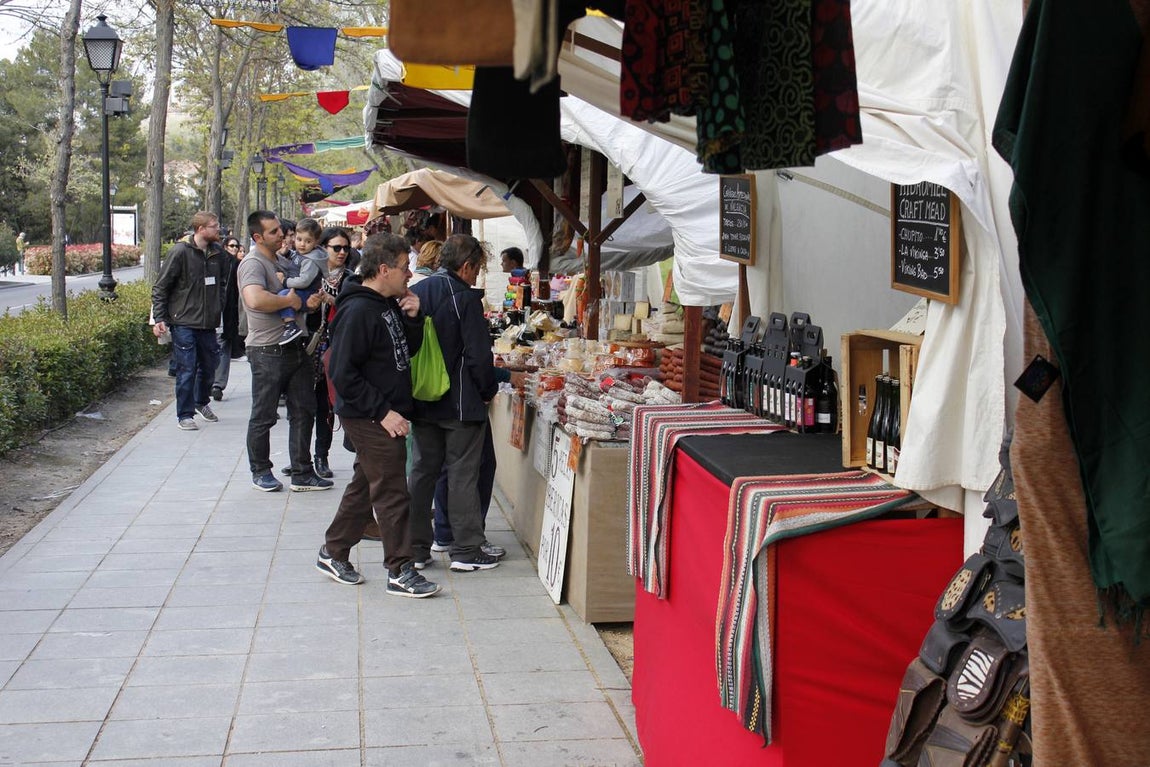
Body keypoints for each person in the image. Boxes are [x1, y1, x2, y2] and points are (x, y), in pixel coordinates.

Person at [316, 232, 440, 598]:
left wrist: (413, 319)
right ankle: (401, 568)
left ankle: (333, 551)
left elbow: (403, 351)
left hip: (386, 409)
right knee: (392, 491)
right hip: (369, 414)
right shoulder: (358, 310)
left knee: (366, 484)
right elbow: (342, 373)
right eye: (404, 268)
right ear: (383, 270)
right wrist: (382, 412)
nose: (409, 274)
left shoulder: (387, 303)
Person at [408, 234, 516, 572]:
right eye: (477, 268)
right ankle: (466, 549)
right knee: (462, 474)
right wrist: (487, 389)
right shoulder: (464, 298)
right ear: (466, 266)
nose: (476, 275)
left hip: (423, 399)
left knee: (423, 472)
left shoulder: (418, 291)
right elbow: (477, 356)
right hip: (459, 403)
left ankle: (416, 548)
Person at [238, 210, 332, 493]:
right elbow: (255, 299)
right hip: (267, 348)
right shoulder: (253, 263)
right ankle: (261, 471)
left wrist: (308, 304)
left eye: (280, 229)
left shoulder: (282, 261)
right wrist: (290, 301)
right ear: (258, 237)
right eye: (274, 231)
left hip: (296, 345)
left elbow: (298, 300)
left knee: (304, 410)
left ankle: (302, 472)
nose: (282, 234)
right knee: (264, 414)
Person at [151, 211, 226, 431]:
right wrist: (160, 318)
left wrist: (218, 305)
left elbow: (222, 282)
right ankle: (185, 414)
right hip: (183, 321)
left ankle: (201, 401)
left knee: (210, 365)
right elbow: (161, 287)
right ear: (201, 229)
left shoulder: (217, 253)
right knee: (187, 368)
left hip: (208, 322)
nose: (218, 229)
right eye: (214, 226)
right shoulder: (180, 252)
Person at [308, 226, 354, 479]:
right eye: (336, 247)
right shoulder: (311, 274)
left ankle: (321, 455)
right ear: (323, 248)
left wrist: (331, 300)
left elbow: (352, 308)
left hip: (336, 346)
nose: (342, 252)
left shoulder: (351, 279)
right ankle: (300, 457)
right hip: (310, 345)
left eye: (346, 248)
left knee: (326, 404)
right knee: (306, 404)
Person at [276, 218, 326, 346]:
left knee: (283, 295)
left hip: (307, 293)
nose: (302, 244)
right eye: (299, 239)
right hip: (301, 291)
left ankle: (290, 325)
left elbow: (304, 280)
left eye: (308, 241)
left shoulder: (310, 260)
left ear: (316, 242)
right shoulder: (300, 254)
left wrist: (285, 281)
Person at [211, 236, 244, 401]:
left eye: (237, 246)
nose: (235, 249)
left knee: (223, 345)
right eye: (232, 245)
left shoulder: (236, 265)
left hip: (227, 313)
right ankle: (209, 381)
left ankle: (217, 384)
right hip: (209, 312)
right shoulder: (210, 263)